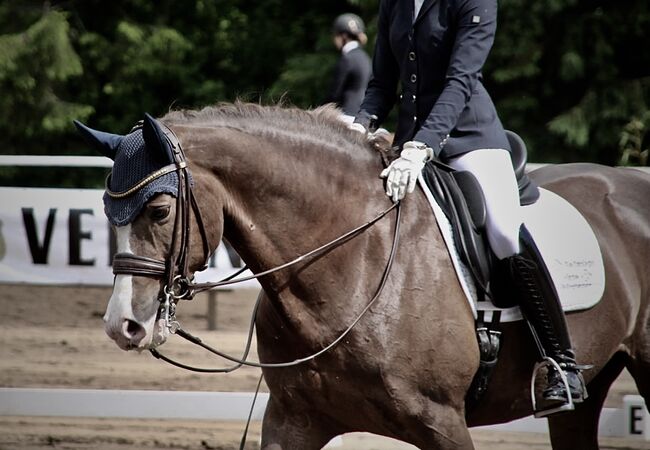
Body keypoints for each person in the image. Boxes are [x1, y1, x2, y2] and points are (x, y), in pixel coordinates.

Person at [352, 0, 587, 412]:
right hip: (406, 141)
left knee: (501, 229)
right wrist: (357, 127)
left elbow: (460, 81)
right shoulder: (395, 3)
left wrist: (422, 146)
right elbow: (381, 84)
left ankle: (562, 365)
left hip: (468, 138)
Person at [325, 13, 372, 119]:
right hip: (363, 115)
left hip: (346, 115)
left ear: (343, 36)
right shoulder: (365, 58)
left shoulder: (347, 59)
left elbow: (334, 95)